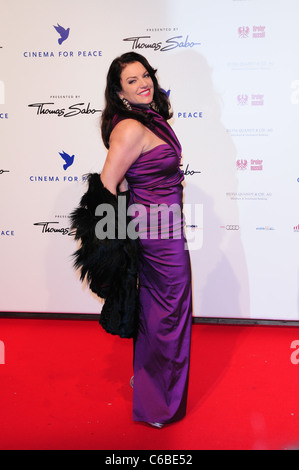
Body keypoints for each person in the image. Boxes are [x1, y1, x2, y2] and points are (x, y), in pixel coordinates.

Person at [73, 51, 193, 428]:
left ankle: (151, 383)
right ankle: (157, 404)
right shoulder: (129, 128)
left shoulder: (152, 119)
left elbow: (128, 181)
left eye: (145, 75)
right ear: (119, 92)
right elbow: (107, 190)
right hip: (157, 239)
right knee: (167, 316)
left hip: (169, 229)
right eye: (132, 81)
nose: (144, 83)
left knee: (164, 313)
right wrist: (112, 250)